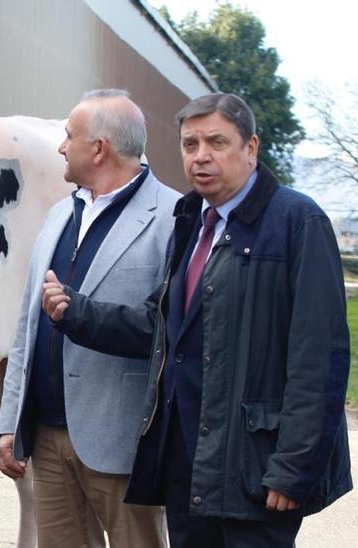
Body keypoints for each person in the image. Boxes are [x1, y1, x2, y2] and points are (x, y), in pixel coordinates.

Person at [43, 92, 352, 546]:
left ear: (251, 149)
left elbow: (319, 359)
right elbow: (162, 329)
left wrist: (293, 468)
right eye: (190, 145)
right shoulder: (191, 221)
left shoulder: (297, 221)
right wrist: (77, 313)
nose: (201, 156)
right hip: (189, 468)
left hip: (257, 471)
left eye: (217, 142)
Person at [0, 90, 175, 547]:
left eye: (68, 136)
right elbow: (27, 329)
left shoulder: (172, 218)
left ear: (99, 148)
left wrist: (81, 314)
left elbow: (167, 332)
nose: (60, 147)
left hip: (121, 443)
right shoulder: (59, 214)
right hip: (48, 439)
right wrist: (9, 421)